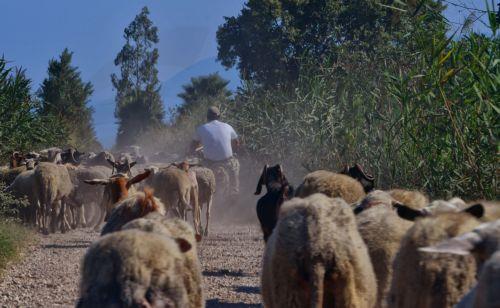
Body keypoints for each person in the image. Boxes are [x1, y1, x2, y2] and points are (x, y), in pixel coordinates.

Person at [192, 106, 240, 200]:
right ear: (219, 116)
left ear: (207, 117)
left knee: (200, 173)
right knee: (236, 165)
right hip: (227, 161)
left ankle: (201, 195)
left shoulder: (201, 128)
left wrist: (193, 152)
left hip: (209, 163)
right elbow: (236, 143)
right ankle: (234, 191)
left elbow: (193, 145)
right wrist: (234, 151)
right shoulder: (227, 126)